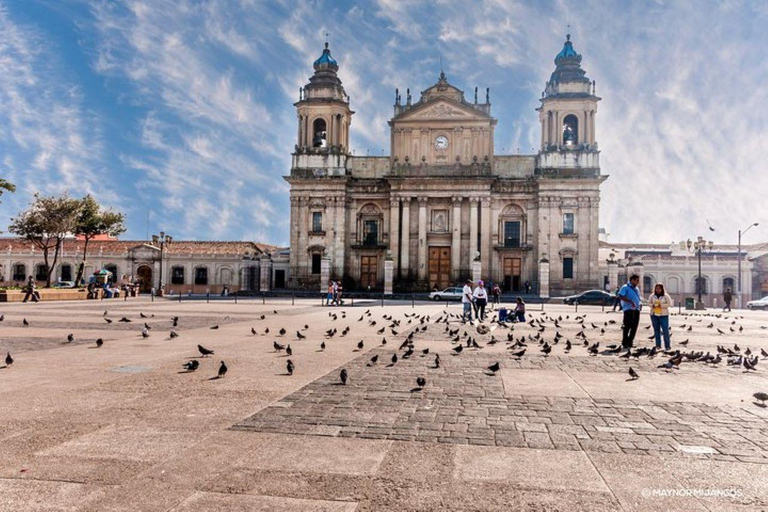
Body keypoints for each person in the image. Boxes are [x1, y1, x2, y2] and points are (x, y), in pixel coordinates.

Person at [618, 274, 642, 349]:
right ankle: (625, 342)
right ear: (632, 280)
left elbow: (638, 298)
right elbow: (621, 296)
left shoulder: (637, 289)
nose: (638, 282)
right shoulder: (625, 287)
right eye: (637, 280)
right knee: (627, 326)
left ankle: (630, 342)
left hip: (636, 309)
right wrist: (630, 302)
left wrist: (640, 304)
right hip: (628, 309)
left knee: (634, 327)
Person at [648, 283, 673, 351]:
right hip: (654, 314)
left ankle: (667, 345)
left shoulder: (666, 296)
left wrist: (661, 305)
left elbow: (669, 304)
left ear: (662, 289)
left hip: (663, 315)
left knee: (665, 330)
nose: (658, 290)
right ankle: (658, 345)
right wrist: (652, 305)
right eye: (656, 288)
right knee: (656, 330)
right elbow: (649, 303)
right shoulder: (652, 296)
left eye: (659, 288)